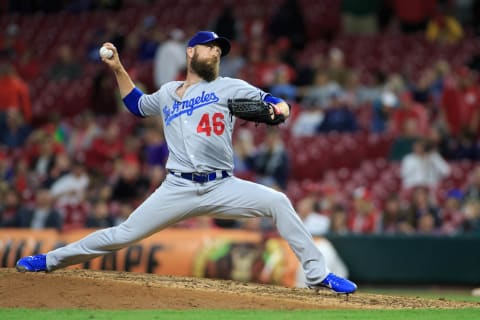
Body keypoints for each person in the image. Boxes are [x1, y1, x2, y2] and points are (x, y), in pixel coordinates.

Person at [16, 31, 356, 294]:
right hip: (177, 186)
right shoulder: (167, 93)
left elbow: (277, 102)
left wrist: (279, 110)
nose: (216, 53)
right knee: (122, 234)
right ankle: (49, 260)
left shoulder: (230, 87)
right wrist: (119, 68)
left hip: (222, 184)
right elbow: (136, 105)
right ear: (191, 52)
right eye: (210, 47)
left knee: (278, 201)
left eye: (219, 51)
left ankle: (318, 274)